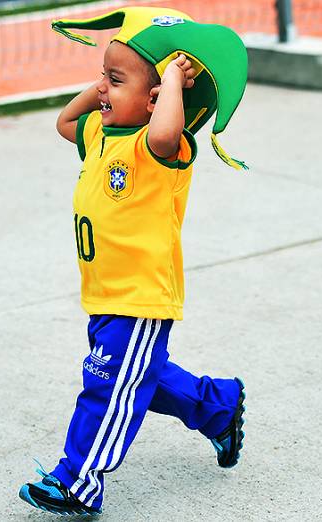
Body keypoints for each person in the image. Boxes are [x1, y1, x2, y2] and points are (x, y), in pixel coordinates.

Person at [18, 7, 249, 516]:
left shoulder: (160, 147)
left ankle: (78, 479)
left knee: (106, 387)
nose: (102, 88)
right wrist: (106, 82)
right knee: (137, 377)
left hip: (141, 295)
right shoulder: (101, 136)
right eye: (103, 76)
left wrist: (168, 77)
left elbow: (165, 132)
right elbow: (65, 122)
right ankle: (218, 407)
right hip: (105, 292)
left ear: (154, 101)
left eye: (115, 80)